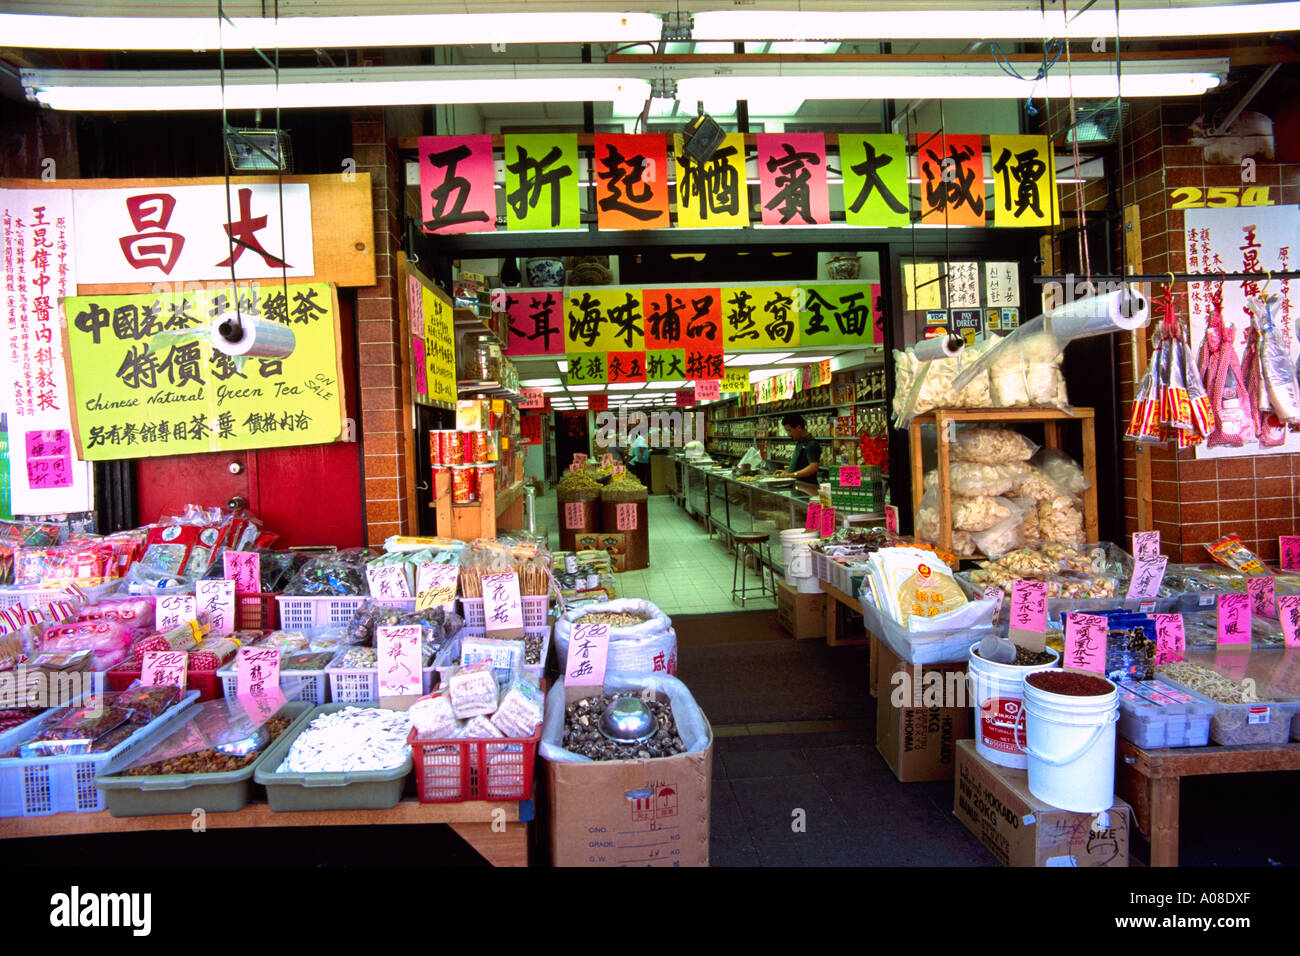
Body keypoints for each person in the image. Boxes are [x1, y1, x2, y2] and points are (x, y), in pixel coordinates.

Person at [777, 413, 822, 481]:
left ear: (798, 428)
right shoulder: (800, 442)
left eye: (789, 430)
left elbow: (813, 467)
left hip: (806, 486)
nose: (788, 435)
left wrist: (791, 475)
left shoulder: (811, 444)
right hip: (798, 484)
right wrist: (788, 472)